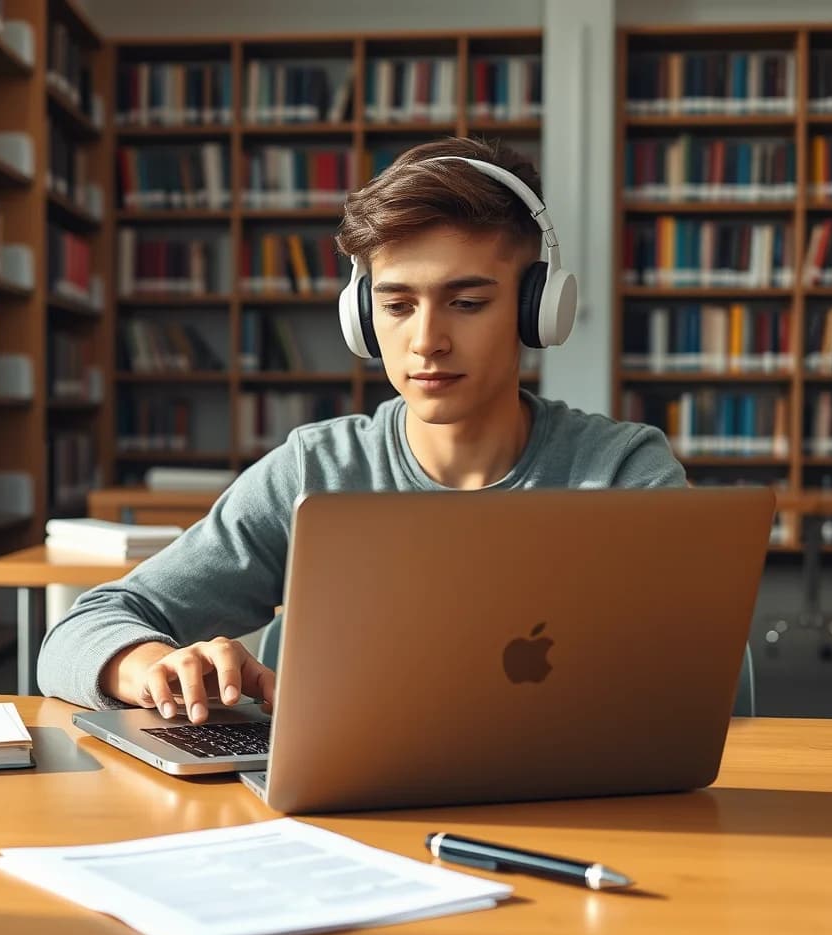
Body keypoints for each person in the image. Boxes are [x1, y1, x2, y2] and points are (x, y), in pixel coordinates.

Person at [37, 135, 686, 714]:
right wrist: (153, 664)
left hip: (582, 807)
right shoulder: (313, 471)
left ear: (535, 309)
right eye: (397, 304)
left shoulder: (623, 471)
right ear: (364, 319)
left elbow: (707, 686)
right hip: (341, 822)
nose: (427, 340)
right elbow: (79, 630)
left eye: (466, 302)